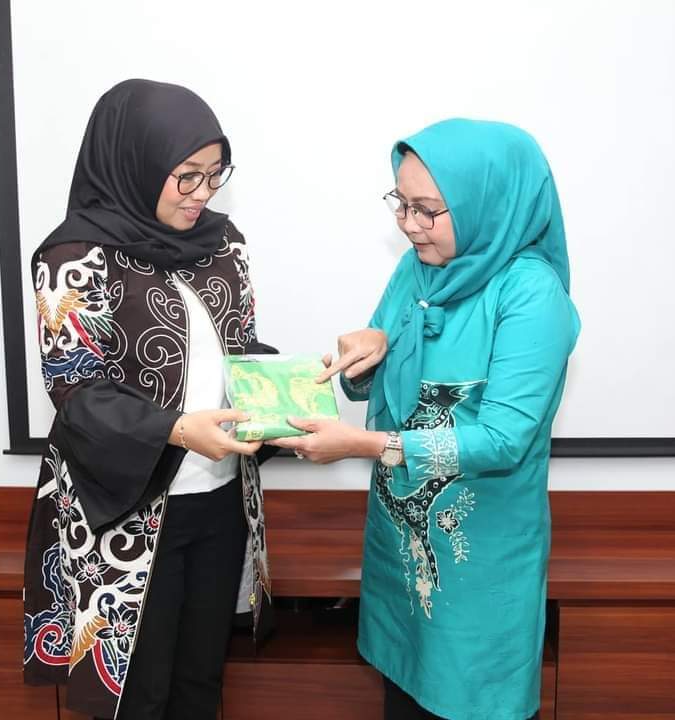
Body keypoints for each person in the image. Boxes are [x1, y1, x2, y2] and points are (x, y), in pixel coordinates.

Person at [271, 120, 580, 720]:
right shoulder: (420, 268)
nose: (409, 224)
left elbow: (502, 440)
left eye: (428, 210)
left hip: (477, 562)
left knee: (470, 701)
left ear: (490, 204)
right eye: (401, 203)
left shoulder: (531, 295)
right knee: (405, 695)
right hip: (399, 542)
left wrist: (361, 445)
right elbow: (379, 383)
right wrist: (366, 354)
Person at [22, 80, 271, 720]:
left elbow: (237, 348)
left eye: (214, 175)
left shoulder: (224, 241)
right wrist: (181, 430)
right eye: (186, 176)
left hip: (220, 498)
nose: (202, 194)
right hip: (126, 511)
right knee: (138, 698)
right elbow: (76, 390)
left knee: (200, 684)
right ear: (136, 161)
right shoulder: (74, 255)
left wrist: (291, 383)